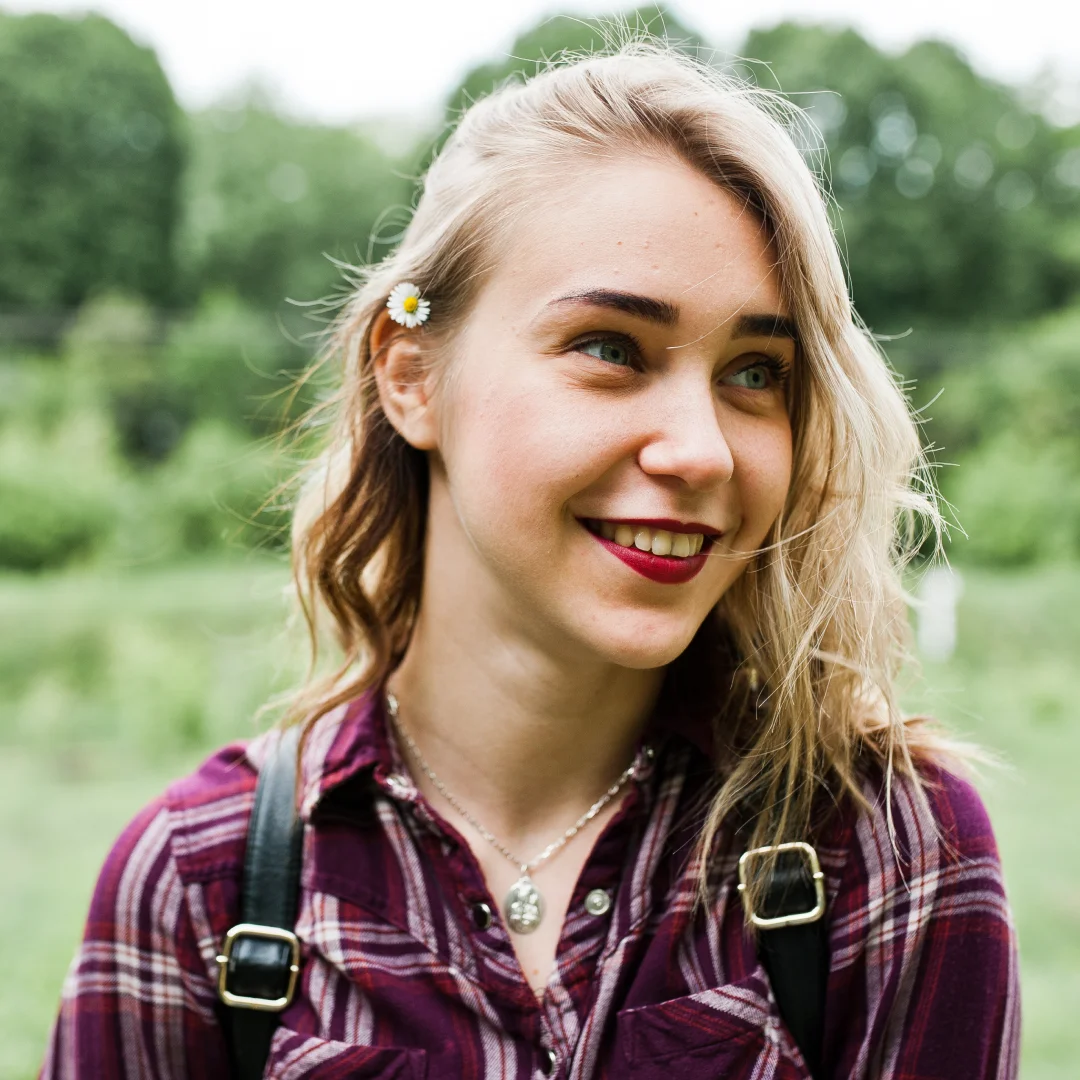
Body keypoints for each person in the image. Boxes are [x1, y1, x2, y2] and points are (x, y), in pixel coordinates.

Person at [42, 43, 1019, 1079]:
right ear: (410, 375)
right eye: (610, 348)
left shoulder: (886, 849)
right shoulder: (204, 886)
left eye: (753, 371)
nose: (701, 449)